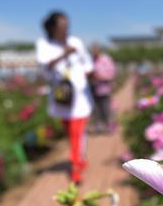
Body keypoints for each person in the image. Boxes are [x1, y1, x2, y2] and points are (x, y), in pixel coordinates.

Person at [36, 11, 93, 184]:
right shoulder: (44, 44)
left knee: (77, 132)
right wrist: (64, 54)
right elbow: (45, 67)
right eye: (62, 26)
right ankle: (80, 159)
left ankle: (75, 168)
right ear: (52, 28)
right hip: (62, 96)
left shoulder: (76, 42)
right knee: (71, 134)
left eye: (67, 25)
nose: (65, 29)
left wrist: (86, 72)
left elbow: (87, 64)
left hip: (79, 98)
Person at [89, 43, 116, 134]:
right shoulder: (91, 60)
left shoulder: (106, 59)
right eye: (92, 50)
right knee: (96, 109)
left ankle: (109, 127)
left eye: (95, 50)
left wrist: (100, 77)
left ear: (99, 50)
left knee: (106, 108)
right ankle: (99, 127)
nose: (93, 52)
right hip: (93, 87)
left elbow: (111, 73)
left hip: (104, 87)